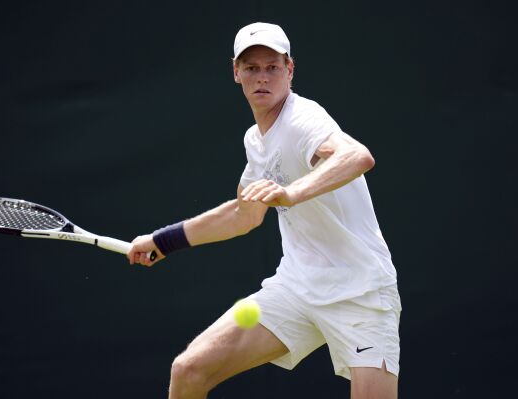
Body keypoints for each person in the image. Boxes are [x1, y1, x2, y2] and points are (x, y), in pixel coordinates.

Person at [127, 22, 401, 399]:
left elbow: (357, 155)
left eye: (272, 67)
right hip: (297, 288)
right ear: (235, 72)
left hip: (361, 292)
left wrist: (291, 193)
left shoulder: (304, 118)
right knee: (188, 371)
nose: (262, 77)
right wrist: (163, 240)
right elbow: (244, 214)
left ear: (290, 69)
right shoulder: (254, 140)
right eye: (251, 68)